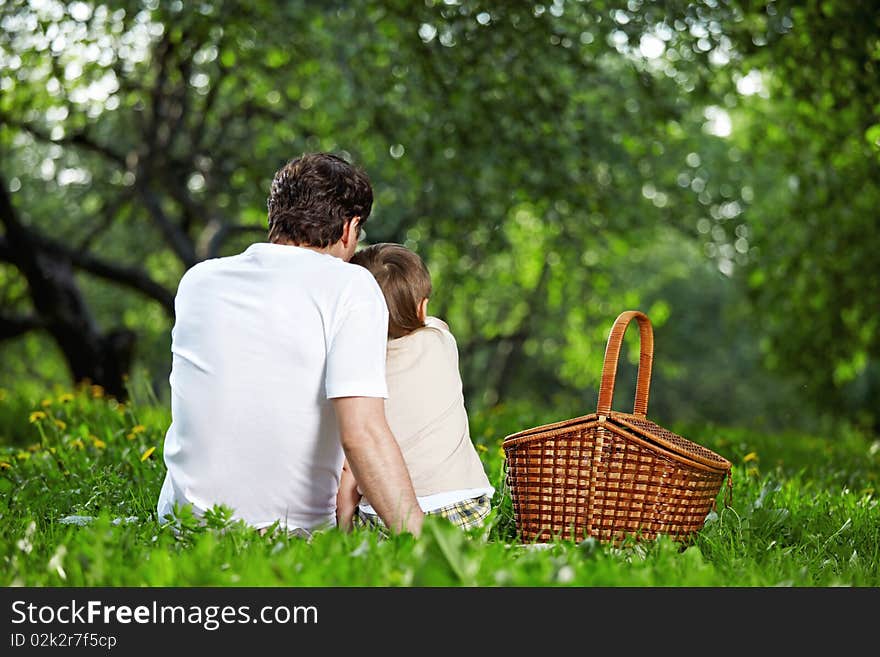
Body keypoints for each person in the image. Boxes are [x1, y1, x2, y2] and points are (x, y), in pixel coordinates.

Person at [156, 153, 424, 536]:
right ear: (350, 229)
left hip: (183, 527)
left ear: (276, 217)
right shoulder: (351, 287)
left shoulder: (199, 281)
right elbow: (361, 432)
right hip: (289, 535)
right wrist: (426, 542)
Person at [336, 243, 494, 533]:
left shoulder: (357, 367)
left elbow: (350, 466)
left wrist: (344, 522)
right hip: (466, 509)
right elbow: (432, 322)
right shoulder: (441, 341)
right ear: (422, 307)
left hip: (384, 517)